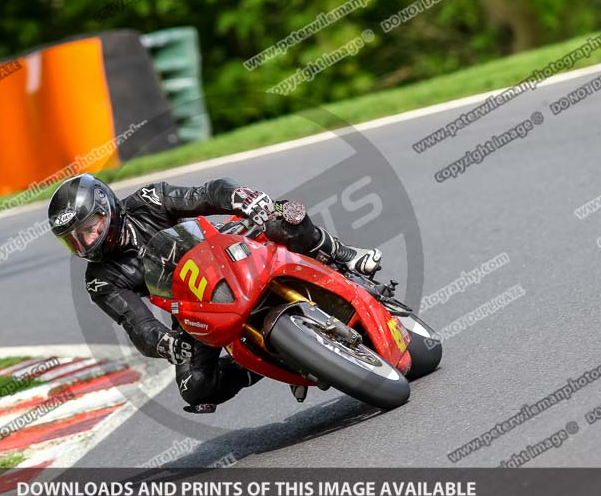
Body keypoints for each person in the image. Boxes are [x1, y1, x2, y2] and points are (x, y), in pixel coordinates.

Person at [48, 173, 381, 413]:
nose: (86, 243)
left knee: (282, 217)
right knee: (194, 387)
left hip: (228, 249)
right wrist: (166, 343)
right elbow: (137, 324)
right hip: (193, 304)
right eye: (74, 239)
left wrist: (238, 197)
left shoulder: (148, 201)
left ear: (106, 210)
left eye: (88, 229)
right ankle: (278, 360)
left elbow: (204, 194)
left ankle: (344, 254)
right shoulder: (101, 278)